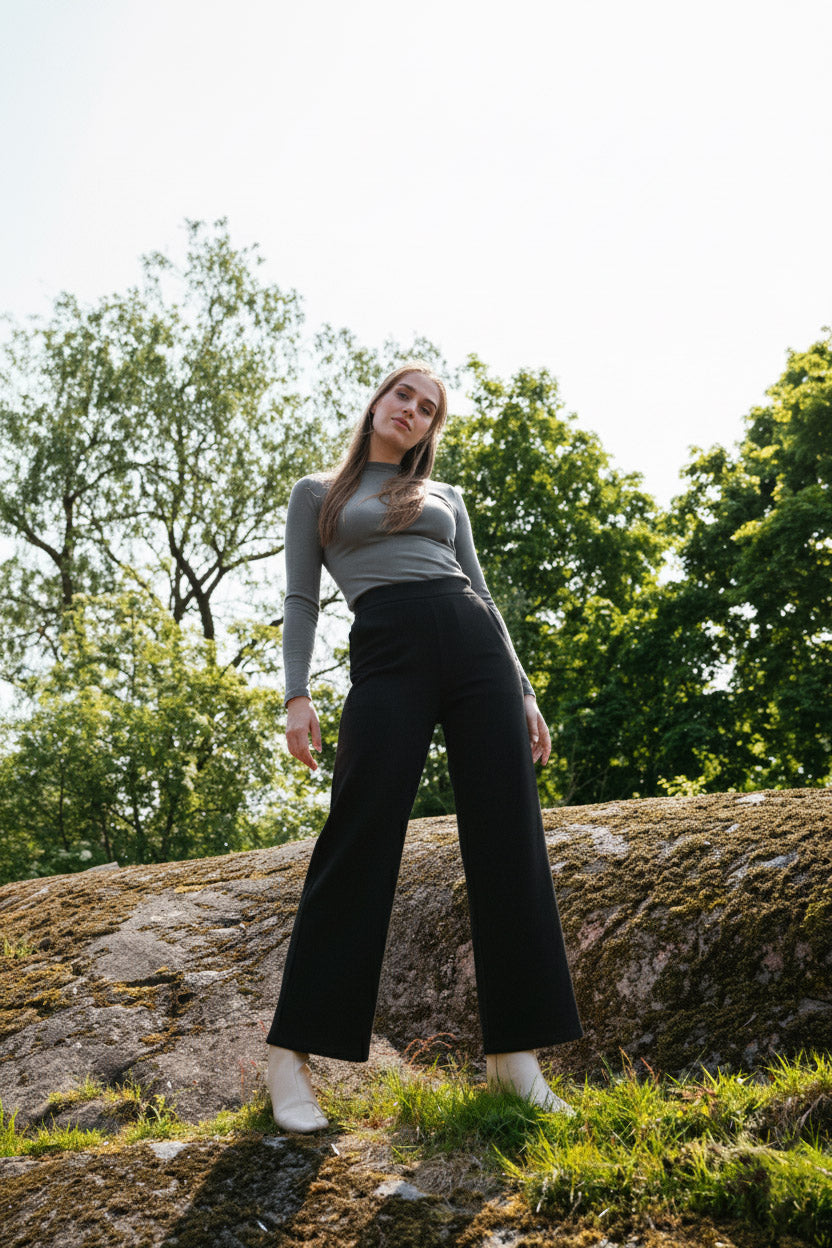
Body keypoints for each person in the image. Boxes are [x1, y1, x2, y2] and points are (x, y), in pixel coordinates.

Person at [266, 362, 583, 1132]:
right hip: (388, 649)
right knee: (360, 834)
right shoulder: (318, 493)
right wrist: (296, 694)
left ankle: (515, 1060)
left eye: (428, 408)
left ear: (431, 430)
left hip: (474, 649)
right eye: (403, 395)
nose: (412, 409)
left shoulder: (446, 497)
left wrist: (525, 690)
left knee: (508, 837)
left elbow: (483, 594)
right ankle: (291, 1058)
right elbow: (302, 598)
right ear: (378, 401)